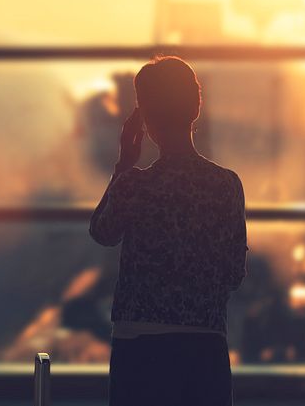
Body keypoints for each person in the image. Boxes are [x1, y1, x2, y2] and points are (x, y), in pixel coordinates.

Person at [89, 56, 248, 406]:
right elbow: (234, 273)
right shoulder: (226, 186)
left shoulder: (136, 185)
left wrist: (123, 166)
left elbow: (101, 231)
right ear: (196, 108)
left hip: (139, 345)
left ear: (145, 118)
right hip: (204, 343)